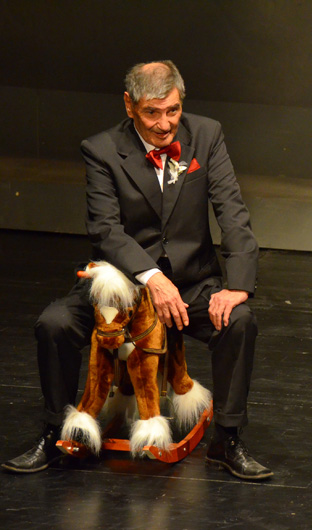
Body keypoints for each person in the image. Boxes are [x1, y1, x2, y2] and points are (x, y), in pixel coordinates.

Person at [2, 60, 271, 481]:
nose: (165, 125)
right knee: (54, 324)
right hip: (121, 284)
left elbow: (232, 212)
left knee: (239, 321)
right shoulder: (102, 149)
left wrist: (238, 285)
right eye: (152, 113)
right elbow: (105, 230)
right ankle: (55, 432)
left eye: (173, 110)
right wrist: (152, 277)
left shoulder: (207, 134)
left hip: (190, 283)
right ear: (129, 106)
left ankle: (227, 439)